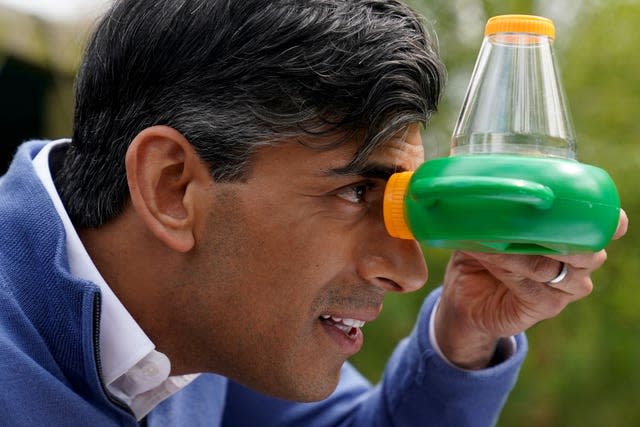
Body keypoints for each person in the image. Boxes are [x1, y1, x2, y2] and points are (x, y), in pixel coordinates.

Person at [0, 0, 628, 426]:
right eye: (358, 192)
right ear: (171, 187)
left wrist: (467, 336)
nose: (411, 272)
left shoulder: (207, 321)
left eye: (399, 201)